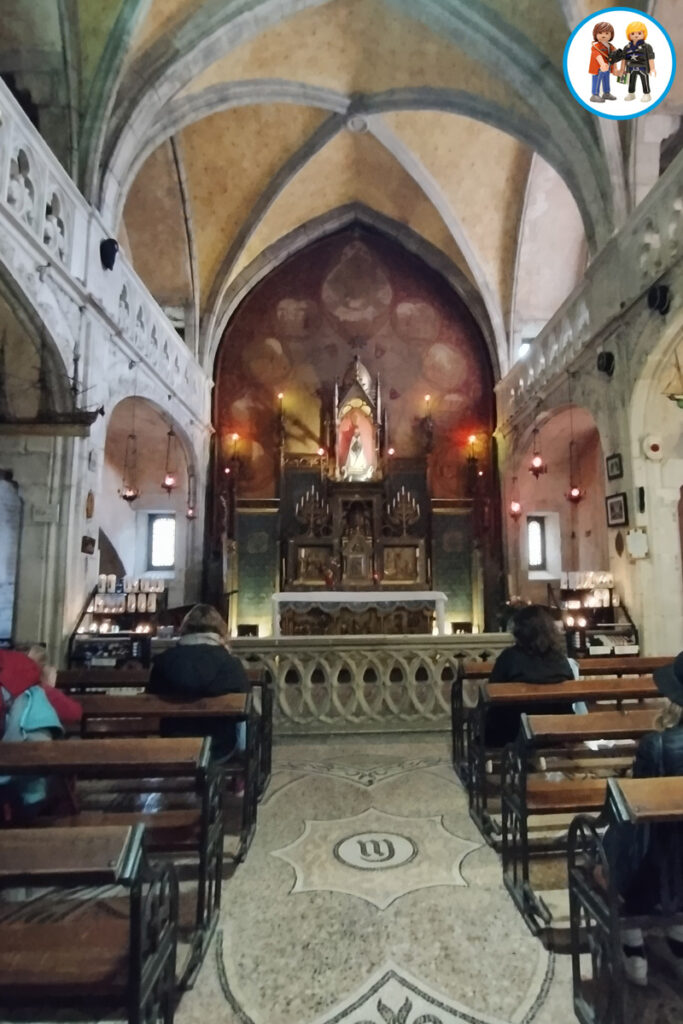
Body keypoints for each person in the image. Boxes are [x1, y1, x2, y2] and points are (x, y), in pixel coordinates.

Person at [602, 652, 683, 986]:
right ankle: (678, 931)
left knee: (614, 838)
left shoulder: (658, 746)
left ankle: (632, 940)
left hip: (660, 871)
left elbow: (635, 814)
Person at [148, 604, 248, 760]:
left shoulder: (164, 661)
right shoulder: (230, 663)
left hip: (173, 743)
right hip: (219, 745)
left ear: (185, 628)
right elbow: (243, 711)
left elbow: (151, 698)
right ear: (220, 630)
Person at [486, 604, 574, 745]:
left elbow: (492, 691)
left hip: (512, 732)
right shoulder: (560, 659)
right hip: (556, 729)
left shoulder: (509, 658)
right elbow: (570, 694)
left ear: (519, 630)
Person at [617, 21, 656, 103]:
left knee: (644, 80)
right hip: (631, 67)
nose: (636, 35)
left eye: (639, 33)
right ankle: (631, 93)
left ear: (644, 34)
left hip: (643, 67)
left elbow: (650, 58)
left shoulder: (647, 47)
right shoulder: (627, 47)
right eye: (633, 33)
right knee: (631, 81)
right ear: (629, 35)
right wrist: (622, 69)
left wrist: (652, 68)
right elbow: (624, 59)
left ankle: (646, 93)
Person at [588, 21, 617, 103]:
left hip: (607, 67)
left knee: (606, 80)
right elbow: (597, 55)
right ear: (595, 34)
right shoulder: (596, 47)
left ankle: (606, 93)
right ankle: (595, 95)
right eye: (600, 33)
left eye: (607, 33)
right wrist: (602, 64)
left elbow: (615, 55)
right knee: (597, 80)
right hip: (598, 68)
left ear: (611, 35)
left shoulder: (610, 46)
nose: (603, 35)